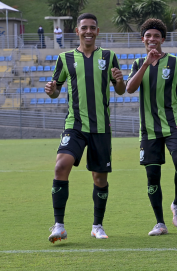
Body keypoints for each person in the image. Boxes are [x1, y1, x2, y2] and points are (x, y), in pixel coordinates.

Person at [45, 13, 125, 243]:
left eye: (92, 27)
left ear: (97, 31)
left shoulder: (109, 56)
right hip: (75, 125)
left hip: (101, 128)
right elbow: (56, 90)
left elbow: (120, 89)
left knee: (99, 179)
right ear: (78, 31)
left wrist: (119, 80)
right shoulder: (65, 58)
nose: (88, 31)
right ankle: (59, 226)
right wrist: (51, 91)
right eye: (84, 28)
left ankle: (97, 226)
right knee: (61, 166)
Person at [126, 18, 177, 236]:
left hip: (173, 126)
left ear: (163, 39)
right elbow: (130, 89)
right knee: (152, 176)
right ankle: (160, 223)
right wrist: (146, 63)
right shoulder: (137, 64)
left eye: (156, 36)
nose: (152, 39)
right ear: (143, 39)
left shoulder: (176, 63)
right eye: (148, 36)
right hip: (149, 130)